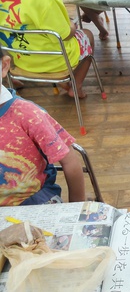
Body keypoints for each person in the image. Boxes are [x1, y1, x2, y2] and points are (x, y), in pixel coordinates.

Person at [0, 45, 86, 205]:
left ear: (4, 66)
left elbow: (70, 160)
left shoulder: (26, 114)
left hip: (34, 202)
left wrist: (77, 207)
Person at [0, 0, 96, 98]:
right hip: (56, 61)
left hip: (19, 60)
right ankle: (76, 87)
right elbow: (65, 35)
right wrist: (71, 25)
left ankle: (64, 83)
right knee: (87, 35)